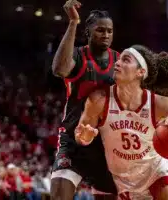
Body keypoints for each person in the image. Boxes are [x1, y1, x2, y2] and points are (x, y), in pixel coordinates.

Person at [74, 45, 168, 200]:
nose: (117, 63)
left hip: (155, 174)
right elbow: (80, 133)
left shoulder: (160, 104)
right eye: (118, 59)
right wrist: (84, 137)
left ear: (140, 72)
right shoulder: (99, 100)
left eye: (126, 60)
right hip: (119, 180)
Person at [50, 0, 119, 199]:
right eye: (100, 30)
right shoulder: (78, 56)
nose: (106, 35)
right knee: (59, 194)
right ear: (88, 32)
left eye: (109, 31)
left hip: (106, 145)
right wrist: (73, 22)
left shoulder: (120, 61)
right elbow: (59, 69)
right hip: (73, 138)